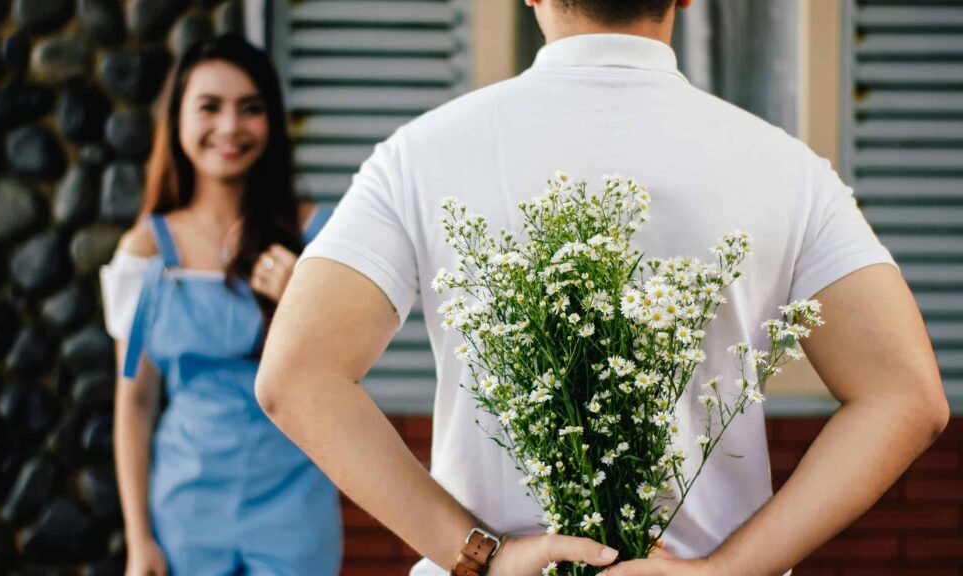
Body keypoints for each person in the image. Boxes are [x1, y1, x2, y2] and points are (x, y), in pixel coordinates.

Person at [254, 1, 949, 575]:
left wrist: (479, 557)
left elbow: (297, 377)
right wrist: (726, 572)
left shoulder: (420, 155)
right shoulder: (788, 170)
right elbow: (907, 397)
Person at [100, 35, 340, 576]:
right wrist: (139, 540)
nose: (229, 127)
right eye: (209, 107)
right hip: (184, 508)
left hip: (296, 501)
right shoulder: (144, 251)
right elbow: (135, 403)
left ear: (272, 123)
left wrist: (297, 301)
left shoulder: (318, 235)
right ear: (178, 118)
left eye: (250, 109)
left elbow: (346, 375)